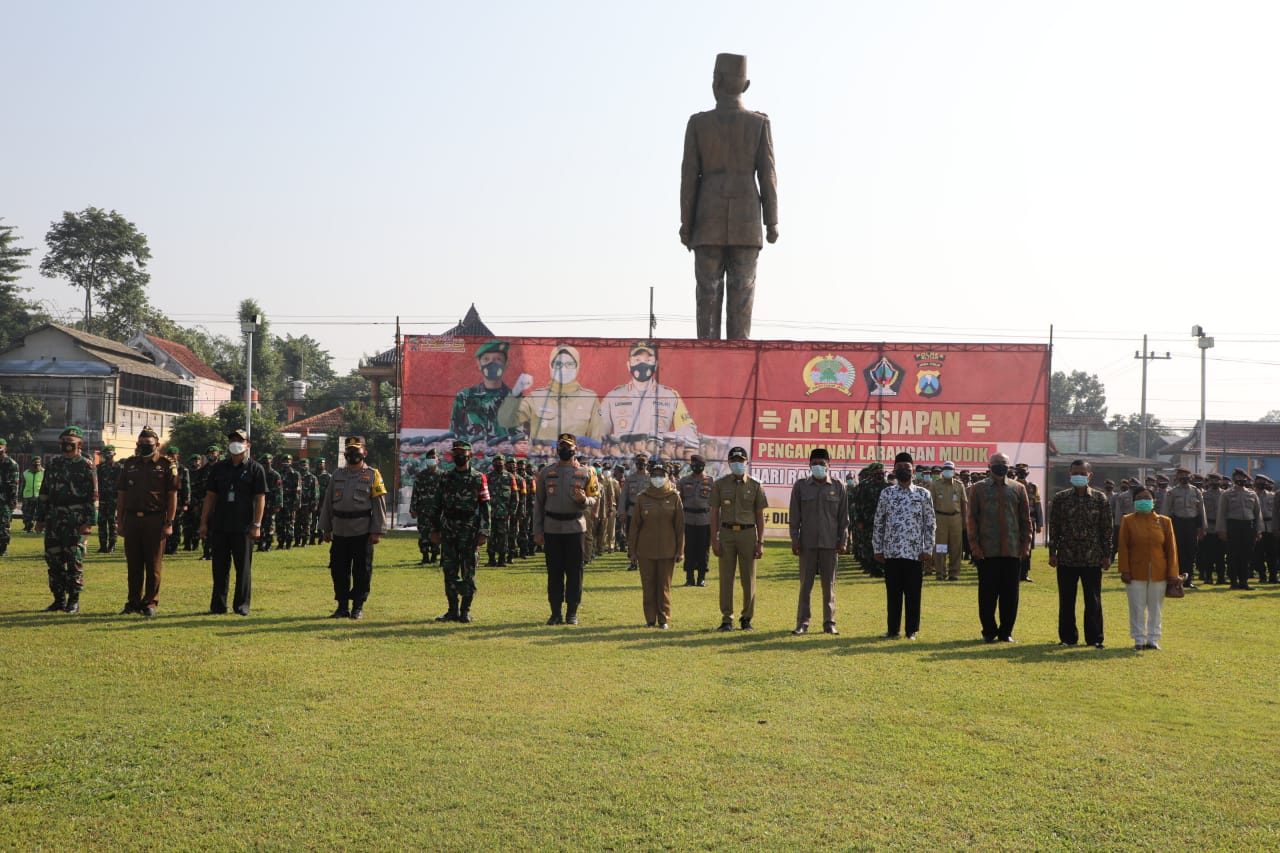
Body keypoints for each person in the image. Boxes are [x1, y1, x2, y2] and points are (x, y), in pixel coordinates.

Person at [680, 52, 779, 340]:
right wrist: (771, 221)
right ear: (745, 85)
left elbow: (688, 179)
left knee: (707, 293)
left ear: (716, 81)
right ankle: (738, 357)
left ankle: (707, 355)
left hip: (706, 220)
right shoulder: (758, 124)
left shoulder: (699, 124)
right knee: (742, 293)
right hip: (747, 222)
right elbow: (768, 176)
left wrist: (687, 224)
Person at [198, 429, 267, 616]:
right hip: (220, 525)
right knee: (219, 567)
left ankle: (242, 605)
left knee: (243, 567)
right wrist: (203, 522)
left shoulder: (255, 469)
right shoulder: (219, 468)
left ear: (248, 445)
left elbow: (260, 498)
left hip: (243, 527)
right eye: (232, 440)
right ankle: (218, 605)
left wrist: (257, 524)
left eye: (240, 440)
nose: (235, 443)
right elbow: (210, 497)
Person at [532, 434, 598, 625]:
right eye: (561, 446)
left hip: (575, 528)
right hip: (552, 528)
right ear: (557, 449)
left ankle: (572, 613)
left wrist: (584, 500)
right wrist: (537, 530)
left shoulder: (587, 472)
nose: (564, 450)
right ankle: (555, 613)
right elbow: (539, 504)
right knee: (554, 572)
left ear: (575, 449)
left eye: (568, 447)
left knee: (575, 572)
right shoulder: (546, 472)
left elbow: (595, 498)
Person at [966, 452, 1032, 643]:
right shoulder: (978, 489)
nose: (1000, 467)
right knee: (987, 594)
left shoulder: (1018, 489)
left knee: (1010, 596)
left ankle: (1006, 632)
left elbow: (1025, 520)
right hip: (987, 551)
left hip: (1012, 550)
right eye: (996, 463)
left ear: (1008, 466)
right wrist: (974, 547)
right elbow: (972, 520)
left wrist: (1025, 546)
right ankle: (988, 630)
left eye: (1003, 463)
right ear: (989, 466)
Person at [319, 437, 387, 620]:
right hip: (340, 531)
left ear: (364, 453)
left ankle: (357, 606)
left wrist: (377, 530)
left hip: (362, 532)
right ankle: (342, 607)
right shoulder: (337, 475)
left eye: (357, 451)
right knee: (338, 570)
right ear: (345, 454)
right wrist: (326, 528)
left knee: (361, 571)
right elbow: (328, 504)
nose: (353, 454)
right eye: (349, 451)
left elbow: (379, 505)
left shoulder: (373, 475)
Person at [1047, 460, 1112, 648]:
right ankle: (1067, 638)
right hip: (1067, 557)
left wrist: (1107, 554)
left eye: (1083, 473)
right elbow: (1055, 527)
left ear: (1090, 475)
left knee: (1093, 600)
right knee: (1066, 601)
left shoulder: (1100, 499)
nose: (1079, 476)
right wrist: (1053, 552)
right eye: (1075, 472)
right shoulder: (1061, 498)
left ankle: (1094, 639)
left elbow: (1106, 529)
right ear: (1070, 474)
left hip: (1092, 558)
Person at [116, 428, 180, 616]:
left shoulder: (166, 465)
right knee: (133, 564)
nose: (144, 447)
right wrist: (120, 521)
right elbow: (121, 494)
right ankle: (133, 602)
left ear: (157, 445)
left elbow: (172, 496)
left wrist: (170, 522)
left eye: (148, 444)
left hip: (155, 519)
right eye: (141, 444)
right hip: (132, 518)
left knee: (153, 564)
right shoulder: (129, 464)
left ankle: (150, 603)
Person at [425, 440, 491, 623]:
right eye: (456, 453)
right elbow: (436, 505)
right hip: (449, 529)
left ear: (470, 455)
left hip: (469, 529)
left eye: (462, 452)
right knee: (449, 570)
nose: (459, 456)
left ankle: (465, 611)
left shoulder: (479, 478)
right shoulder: (445, 478)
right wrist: (434, 530)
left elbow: (485, 506)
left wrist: (485, 530)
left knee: (468, 572)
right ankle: (452, 610)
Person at [33, 426, 97, 613]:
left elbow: (93, 496)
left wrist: (88, 522)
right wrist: (40, 518)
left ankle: (73, 601)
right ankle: (58, 600)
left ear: (79, 444)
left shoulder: (86, 465)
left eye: (71, 442)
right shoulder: (53, 464)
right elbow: (44, 492)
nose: (67, 445)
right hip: (54, 520)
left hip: (76, 522)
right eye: (64, 442)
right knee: (54, 561)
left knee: (74, 561)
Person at [872, 452, 935, 639]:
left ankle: (911, 630)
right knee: (893, 594)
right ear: (894, 471)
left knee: (913, 593)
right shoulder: (887, 493)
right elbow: (879, 522)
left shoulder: (923, 494)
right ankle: (893, 630)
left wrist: (928, 548)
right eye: (899, 468)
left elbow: (930, 523)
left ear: (913, 471)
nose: (903, 471)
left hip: (915, 553)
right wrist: (878, 548)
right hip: (892, 552)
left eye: (907, 468)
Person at [498, 344, 604, 450]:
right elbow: (505, 421)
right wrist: (516, 391)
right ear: (551, 366)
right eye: (558, 364)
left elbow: (597, 441)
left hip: (575, 463)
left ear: (577, 366)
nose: (564, 369)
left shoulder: (590, 399)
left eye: (569, 364)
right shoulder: (536, 398)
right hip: (542, 462)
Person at [598, 341, 699, 453]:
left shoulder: (670, 396)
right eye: (637, 360)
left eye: (648, 360)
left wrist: (667, 444)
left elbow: (688, 433)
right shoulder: (613, 396)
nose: (642, 364)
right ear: (628, 365)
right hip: (623, 464)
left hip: (657, 464)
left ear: (655, 365)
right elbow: (599, 435)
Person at [789, 448, 849, 635]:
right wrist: (795, 539)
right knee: (805, 585)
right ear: (809, 465)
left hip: (829, 544)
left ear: (829, 465)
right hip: (807, 544)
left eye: (822, 463)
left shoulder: (838, 486)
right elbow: (794, 516)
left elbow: (843, 518)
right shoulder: (800, 486)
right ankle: (802, 623)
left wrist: (843, 540)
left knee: (828, 586)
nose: (818, 467)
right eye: (814, 463)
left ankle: (829, 623)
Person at [709, 445, 768, 631]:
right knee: (726, 578)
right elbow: (713, 513)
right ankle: (727, 619)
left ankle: (746, 618)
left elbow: (760, 516)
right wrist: (714, 539)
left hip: (748, 535)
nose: (737, 464)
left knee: (748, 578)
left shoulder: (755, 485)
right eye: (734, 461)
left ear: (747, 462)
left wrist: (760, 542)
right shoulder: (720, 484)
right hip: (726, 534)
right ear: (728, 463)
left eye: (740, 461)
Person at [1117, 488, 1179, 650]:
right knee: (1137, 606)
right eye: (1139, 498)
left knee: (1155, 607)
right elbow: (1123, 547)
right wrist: (1124, 570)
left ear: (1154, 501)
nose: (1143, 500)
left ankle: (1153, 639)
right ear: (1134, 501)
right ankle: (1138, 639)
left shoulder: (1165, 521)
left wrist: (1173, 574)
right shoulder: (1128, 520)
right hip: (1135, 571)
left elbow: (1171, 550)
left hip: (1159, 572)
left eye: (1147, 498)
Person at [628, 459, 685, 628]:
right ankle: (650, 619)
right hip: (645, 551)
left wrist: (680, 550)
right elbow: (635, 527)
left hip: (668, 551)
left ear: (667, 477)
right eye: (655, 475)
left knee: (664, 587)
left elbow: (680, 527)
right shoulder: (642, 498)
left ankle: (664, 618)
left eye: (661, 475)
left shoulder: (674, 497)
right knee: (648, 587)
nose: (658, 478)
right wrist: (632, 551)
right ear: (650, 476)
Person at [450, 339, 517, 441]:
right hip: (472, 456)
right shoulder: (464, 397)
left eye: (497, 359)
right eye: (486, 359)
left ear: (506, 363)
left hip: (505, 456)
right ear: (478, 364)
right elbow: (454, 435)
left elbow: (522, 439)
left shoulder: (516, 399)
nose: (491, 363)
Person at [1160, 466, 1206, 590]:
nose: (1183, 478)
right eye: (1181, 475)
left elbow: (1201, 510)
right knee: (1178, 552)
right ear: (1177, 477)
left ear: (1190, 477)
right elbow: (1165, 510)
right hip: (1177, 524)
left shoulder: (1196, 491)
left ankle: (1188, 580)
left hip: (1191, 525)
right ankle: (1177, 578)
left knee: (1191, 552)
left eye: (1186, 475)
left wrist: (1203, 528)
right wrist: (1163, 528)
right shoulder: (1172, 492)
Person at [1216, 468, 1262, 590]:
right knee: (1233, 555)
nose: (1240, 479)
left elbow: (1258, 514)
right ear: (1233, 479)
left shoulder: (1252, 494)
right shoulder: (1226, 494)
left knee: (1246, 555)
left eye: (1243, 478)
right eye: (1238, 477)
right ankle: (1233, 582)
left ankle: (1244, 581)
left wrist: (1258, 530)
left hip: (1248, 526)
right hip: (1233, 526)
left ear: (1246, 479)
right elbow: (1222, 513)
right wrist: (1222, 530)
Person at [677, 454, 714, 586]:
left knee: (703, 549)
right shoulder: (683, 481)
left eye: (697, 465)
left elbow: (715, 504)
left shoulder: (711, 481)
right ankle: (689, 578)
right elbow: (678, 500)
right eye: (692, 465)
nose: (694, 467)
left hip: (705, 520)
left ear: (703, 466)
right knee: (689, 549)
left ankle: (701, 577)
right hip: (688, 519)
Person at [928, 459, 967, 581]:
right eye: (945, 469)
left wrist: (965, 521)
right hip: (940, 518)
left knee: (956, 547)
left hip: (956, 518)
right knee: (940, 547)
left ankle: (954, 573)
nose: (948, 472)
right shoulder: (935, 484)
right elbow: (930, 504)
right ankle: (940, 573)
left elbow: (963, 504)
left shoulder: (959, 485)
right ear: (942, 471)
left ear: (954, 471)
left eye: (950, 469)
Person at [485, 454, 518, 567]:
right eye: (496, 462)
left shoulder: (510, 477)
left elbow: (515, 496)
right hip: (490, 513)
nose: (499, 464)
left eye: (501, 462)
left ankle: (502, 560)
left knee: (503, 537)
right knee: (491, 537)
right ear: (493, 464)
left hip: (504, 514)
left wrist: (512, 511)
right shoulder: (488, 477)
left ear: (504, 464)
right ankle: (491, 559)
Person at [409, 449, 441, 564]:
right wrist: (413, 509)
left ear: (438, 460)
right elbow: (415, 493)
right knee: (423, 533)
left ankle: (434, 556)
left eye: (433, 458)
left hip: (438, 512)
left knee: (436, 533)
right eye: (429, 458)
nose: (431, 460)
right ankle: (425, 556)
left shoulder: (443, 476)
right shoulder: (420, 476)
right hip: (423, 511)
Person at [1014, 463, 1042, 581]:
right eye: (1019, 472)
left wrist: (1040, 523)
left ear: (1027, 473)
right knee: (1014, 548)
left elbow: (1037, 505)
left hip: (1029, 522)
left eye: (1023, 472)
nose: (1021, 474)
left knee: (1027, 548)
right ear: (1016, 473)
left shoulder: (1033, 487)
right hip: (1014, 522)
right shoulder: (1011, 485)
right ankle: (1014, 573)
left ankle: (1024, 574)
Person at [1198, 473, 1225, 584]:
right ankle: (1208, 577)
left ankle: (1221, 578)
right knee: (1207, 555)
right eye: (1212, 480)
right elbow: (1199, 512)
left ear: (1221, 482)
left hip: (1221, 528)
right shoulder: (1203, 495)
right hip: (1208, 527)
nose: (1215, 482)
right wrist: (1201, 529)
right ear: (1208, 482)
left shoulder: (1225, 494)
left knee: (1221, 555)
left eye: (1217, 480)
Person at [162, 447, 190, 555]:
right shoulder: (164, 468)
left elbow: (186, 487)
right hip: (165, 501)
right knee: (165, 523)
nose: (171, 457)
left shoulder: (183, 469)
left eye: (173, 455)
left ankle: (173, 546)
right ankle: (165, 546)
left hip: (178, 502)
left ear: (177, 456)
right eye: (169, 454)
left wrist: (185, 503)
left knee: (176, 524)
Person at [95, 444, 121, 553]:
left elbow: (121, 485)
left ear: (114, 453)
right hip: (102, 499)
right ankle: (102, 546)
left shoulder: (119, 467)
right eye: (106, 453)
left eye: (110, 453)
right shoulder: (99, 467)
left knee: (112, 523)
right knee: (101, 522)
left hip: (113, 499)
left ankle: (112, 545)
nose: (108, 455)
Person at [257, 454, 283, 552]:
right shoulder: (259, 474)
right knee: (259, 523)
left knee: (270, 525)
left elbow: (279, 491)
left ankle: (268, 544)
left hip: (271, 504)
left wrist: (278, 504)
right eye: (264, 463)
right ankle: (260, 544)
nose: (266, 465)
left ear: (271, 462)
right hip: (260, 503)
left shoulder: (276, 475)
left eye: (268, 463)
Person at [277, 454, 300, 550]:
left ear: (291, 462)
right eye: (285, 461)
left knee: (290, 524)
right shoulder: (278, 473)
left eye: (288, 461)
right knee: (279, 524)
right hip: (280, 502)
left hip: (290, 503)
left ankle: (289, 544)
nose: (286, 462)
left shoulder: (295, 474)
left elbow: (298, 490)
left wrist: (297, 504)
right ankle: (280, 543)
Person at [0, 438, 19, 556]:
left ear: (5, 448)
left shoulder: (11, 464)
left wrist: (13, 501)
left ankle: (2, 549)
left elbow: (14, 484)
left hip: (4, 500)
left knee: (3, 525)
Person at [182, 453, 204, 551]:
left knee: (196, 525)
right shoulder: (187, 473)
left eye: (197, 461)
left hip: (197, 503)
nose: (195, 462)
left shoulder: (202, 474)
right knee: (186, 524)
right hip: (187, 503)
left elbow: (202, 490)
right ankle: (187, 545)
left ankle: (195, 545)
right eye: (193, 461)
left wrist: (198, 504)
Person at [294, 458, 317, 548]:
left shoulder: (312, 478)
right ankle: (296, 541)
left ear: (308, 466)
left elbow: (316, 493)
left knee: (306, 524)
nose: (303, 467)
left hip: (307, 505)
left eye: (305, 465)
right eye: (302, 465)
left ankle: (304, 542)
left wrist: (314, 505)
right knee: (296, 523)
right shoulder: (296, 476)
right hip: (297, 505)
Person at [310, 459, 330, 545]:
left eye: (322, 463)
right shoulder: (312, 476)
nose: (320, 465)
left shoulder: (328, 476)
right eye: (318, 463)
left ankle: (321, 539)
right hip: (313, 501)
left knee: (322, 520)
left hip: (323, 502)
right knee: (312, 521)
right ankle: (311, 539)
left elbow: (330, 490)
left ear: (325, 464)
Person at [21, 456, 43, 533]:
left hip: (39, 496)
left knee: (40, 513)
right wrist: (21, 495)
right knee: (27, 513)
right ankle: (28, 527)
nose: (36, 466)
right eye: (34, 465)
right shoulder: (25, 473)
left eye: (38, 464)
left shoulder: (44, 472)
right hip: (28, 496)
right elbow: (23, 485)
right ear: (31, 464)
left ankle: (40, 528)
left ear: (40, 464)